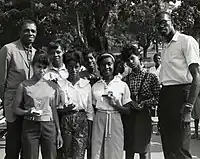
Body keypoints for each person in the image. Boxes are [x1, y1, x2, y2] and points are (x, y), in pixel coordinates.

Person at [155, 11, 200, 159]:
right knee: (168, 147)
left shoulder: (186, 41)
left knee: (180, 149)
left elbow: (197, 76)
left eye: (164, 23)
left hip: (181, 95)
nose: (162, 27)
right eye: (158, 25)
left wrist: (188, 107)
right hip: (166, 96)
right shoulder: (165, 48)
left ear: (171, 21)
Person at [12, 50, 63, 159]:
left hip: (48, 126)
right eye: (39, 67)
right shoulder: (24, 85)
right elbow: (15, 109)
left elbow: (54, 110)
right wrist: (27, 112)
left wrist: (58, 132)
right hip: (30, 126)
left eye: (44, 67)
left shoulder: (52, 86)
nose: (42, 70)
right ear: (33, 66)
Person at [0, 19, 37, 159]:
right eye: (26, 30)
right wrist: (7, 101)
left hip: (29, 105)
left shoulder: (36, 53)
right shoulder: (8, 49)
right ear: (20, 32)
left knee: (27, 145)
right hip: (12, 102)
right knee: (13, 145)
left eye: (33, 31)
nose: (30, 33)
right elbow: (1, 81)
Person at [121, 45, 160, 159]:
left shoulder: (151, 77)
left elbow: (158, 97)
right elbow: (123, 98)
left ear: (139, 57)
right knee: (129, 149)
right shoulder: (125, 80)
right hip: (129, 117)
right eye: (128, 60)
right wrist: (130, 103)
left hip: (144, 116)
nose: (131, 62)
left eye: (133, 58)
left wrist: (145, 103)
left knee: (144, 149)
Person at [91, 53, 132, 159]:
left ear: (114, 65)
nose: (106, 67)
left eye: (109, 64)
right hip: (99, 120)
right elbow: (92, 108)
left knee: (115, 152)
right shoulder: (96, 86)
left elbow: (128, 110)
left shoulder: (122, 85)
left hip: (115, 120)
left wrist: (116, 105)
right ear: (99, 67)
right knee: (98, 152)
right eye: (103, 65)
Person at [58, 51, 94, 159]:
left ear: (80, 67)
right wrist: (63, 109)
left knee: (79, 154)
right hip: (65, 120)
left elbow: (89, 110)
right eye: (70, 67)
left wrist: (90, 133)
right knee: (66, 154)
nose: (73, 70)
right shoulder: (61, 85)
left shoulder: (86, 84)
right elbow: (56, 107)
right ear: (66, 67)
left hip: (81, 121)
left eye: (76, 67)